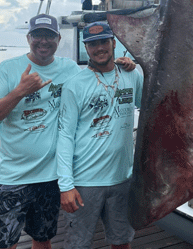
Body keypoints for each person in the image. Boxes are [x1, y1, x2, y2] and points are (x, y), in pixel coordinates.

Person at [0, 14, 82, 249]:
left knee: (43, 238)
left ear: (59, 38)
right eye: (38, 35)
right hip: (13, 176)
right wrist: (20, 91)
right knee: (5, 243)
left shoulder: (69, 68)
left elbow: (94, 85)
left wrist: (122, 67)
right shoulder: (8, 69)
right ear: (29, 37)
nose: (43, 41)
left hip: (50, 176)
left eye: (49, 35)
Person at [56, 21, 142, 249]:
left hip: (123, 178)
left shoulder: (132, 75)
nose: (99, 48)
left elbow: (149, 107)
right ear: (86, 47)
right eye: (93, 44)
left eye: (104, 41)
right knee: (77, 245)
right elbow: (65, 135)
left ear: (113, 43)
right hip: (85, 182)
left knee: (122, 241)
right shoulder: (74, 84)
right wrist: (65, 185)